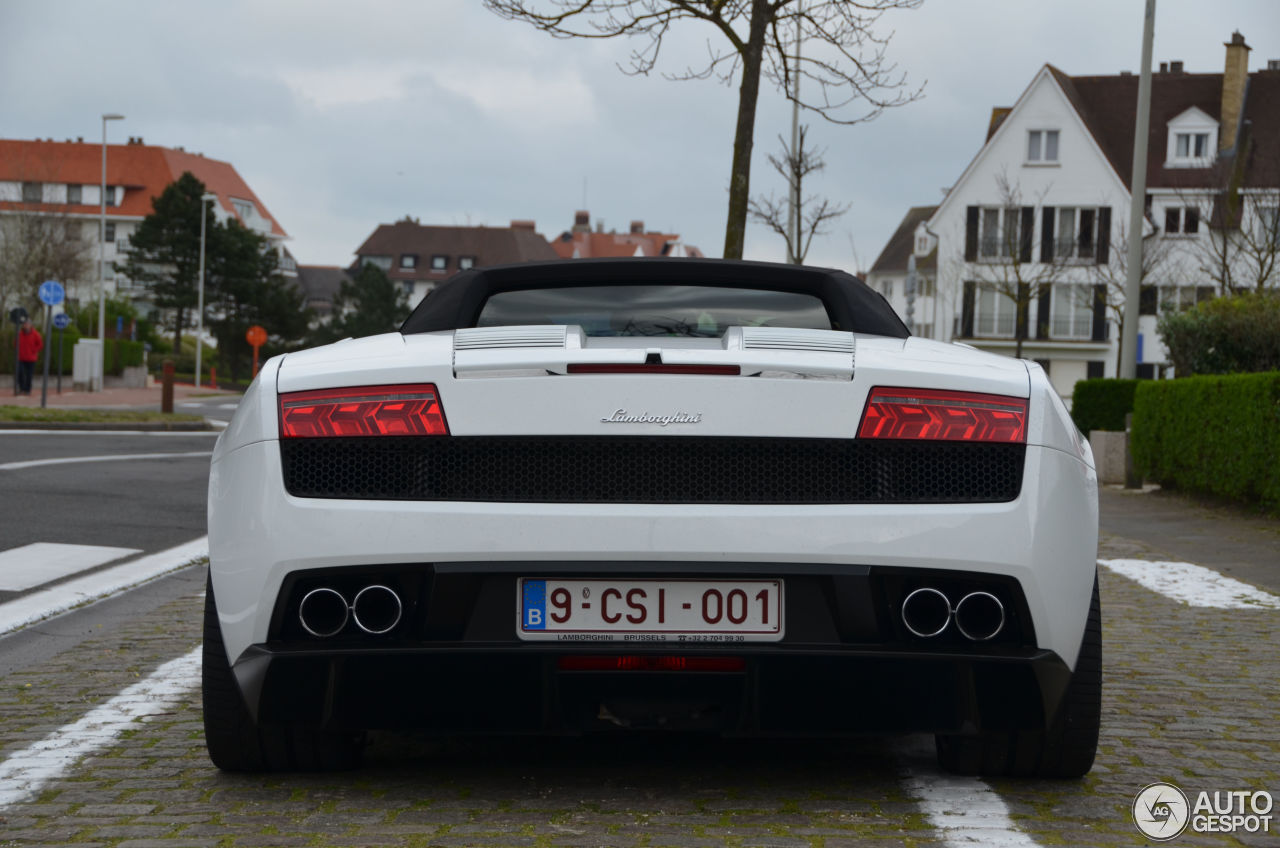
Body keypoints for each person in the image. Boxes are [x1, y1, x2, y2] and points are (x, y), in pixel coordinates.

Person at [16, 317, 43, 395]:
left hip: (31, 358)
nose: (26, 325)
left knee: (29, 375)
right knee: (20, 373)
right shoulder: (20, 334)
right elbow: (15, 344)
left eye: (27, 324)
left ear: (31, 325)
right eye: (24, 324)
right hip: (21, 358)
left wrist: (33, 350)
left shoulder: (36, 334)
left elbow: (40, 345)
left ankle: (27, 390)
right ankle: (21, 388)